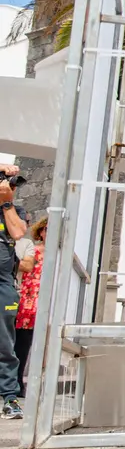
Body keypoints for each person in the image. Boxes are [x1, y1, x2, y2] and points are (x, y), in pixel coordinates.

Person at [0, 164, 28, 419]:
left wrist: (6, 204)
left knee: (5, 344)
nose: (10, 186)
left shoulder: (14, 210)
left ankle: (10, 398)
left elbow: (18, 232)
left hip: (3, 284)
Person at [15, 218, 46, 399]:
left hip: (47, 303)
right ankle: (17, 380)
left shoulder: (62, 255)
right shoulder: (32, 250)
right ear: (40, 231)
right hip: (28, 300)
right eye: (47, 229)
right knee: (21, 342)